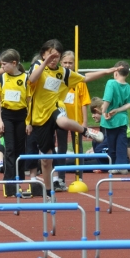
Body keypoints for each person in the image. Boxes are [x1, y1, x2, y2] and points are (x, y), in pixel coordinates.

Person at [27, 39, 117, 195]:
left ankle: (86, 131)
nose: (53, 60)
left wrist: (107, 72)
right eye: (50, 56)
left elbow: (85, 77)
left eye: (57, 57)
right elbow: (32, 79)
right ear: (43, 54)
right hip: (39, 117)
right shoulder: (37, 66)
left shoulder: (63, 73)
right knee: (46, 161)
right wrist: (44, 62)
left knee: (62, 121)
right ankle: (48, 193)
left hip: (55, 107)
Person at [52, 51, 91, 190]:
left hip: (76, 120)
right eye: (65, 63)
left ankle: (79, 176)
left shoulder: (79, 80)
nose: (68, 65)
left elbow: (84, 102)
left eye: (70, 63)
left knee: (78, 149)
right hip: (61, 119)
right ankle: (60, 179)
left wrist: (84, 122)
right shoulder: (58, 79)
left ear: (74, 64)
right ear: (61, 63)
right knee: (61, 148)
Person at [0, 48, 28, 196]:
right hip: (7, 115)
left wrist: (29, 121)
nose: (1, 68)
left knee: (21, 148)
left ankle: (19, 179)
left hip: (22, 115)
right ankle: (9, 181)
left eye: (4, 64)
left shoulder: (26, 78)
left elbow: (29, 100)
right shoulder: (1, 79)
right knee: (10, 148)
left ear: (14, 63)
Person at [101, 61, 130, 173]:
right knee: (122, 143)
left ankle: (115, 165)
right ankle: (122, 165)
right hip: (123, 119)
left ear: (116, 72)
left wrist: (103, 111)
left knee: (111, 143)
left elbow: (107, 99)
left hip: (111, 119)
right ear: (127, 74)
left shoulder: (111, 83)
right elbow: (129, 104)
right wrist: (119, 110)